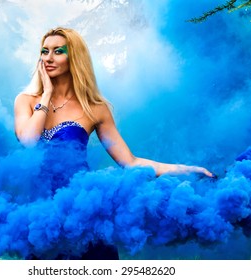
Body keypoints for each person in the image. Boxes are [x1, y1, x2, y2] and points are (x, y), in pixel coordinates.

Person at [14, 27, 215, 259]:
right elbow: (28, 142)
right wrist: (47, 95)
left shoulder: (94, 108)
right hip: (40, 213)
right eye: (44, 51)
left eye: (58, 51)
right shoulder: (26, 101)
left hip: (85, 208)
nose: (48, 58)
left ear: (74, 58)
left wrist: (187, 170)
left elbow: (130, 162)